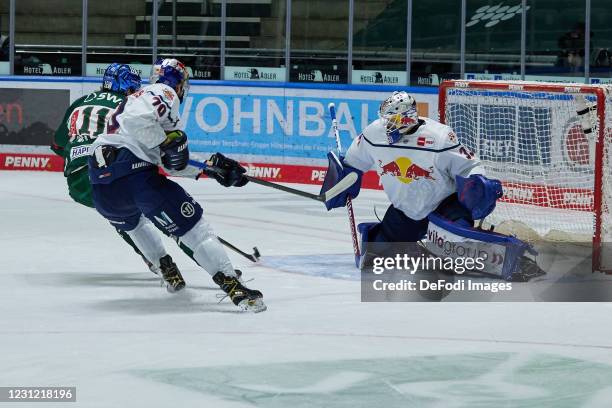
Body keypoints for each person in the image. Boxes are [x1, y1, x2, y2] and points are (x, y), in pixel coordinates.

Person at [87, 58, 266, 312]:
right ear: (178, 81)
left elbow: (168, 160)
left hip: (102, 188)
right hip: (134, 176)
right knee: (196, 229)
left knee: (135, 225)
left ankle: (166, 269)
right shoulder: (163, 91)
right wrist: (165, 143)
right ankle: (234, 286)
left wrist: (209, 170)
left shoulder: (136, 100)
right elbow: (143, 128)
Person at [320, 91, 502, 264]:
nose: (386, 125)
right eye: (386, 119)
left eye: (392, 120)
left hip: (444, 206)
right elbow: (353, 163)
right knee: (376, 256)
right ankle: (397, 241)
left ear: (407, 119)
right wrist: (342, 180)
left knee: (458, 253)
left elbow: (469, 166)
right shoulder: (374, 133)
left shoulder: (439, 137)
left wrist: (477, 186)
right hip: (406, 209)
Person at [51, 63, 161, 273]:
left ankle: (153, 260)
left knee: (119, 215)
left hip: (77, 183)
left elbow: (58, 144)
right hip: (110, 171)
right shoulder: (128, 105)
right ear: (127, 87)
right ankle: (207, 264)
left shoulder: (79, 103)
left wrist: (78, 154)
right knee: (161, 210)